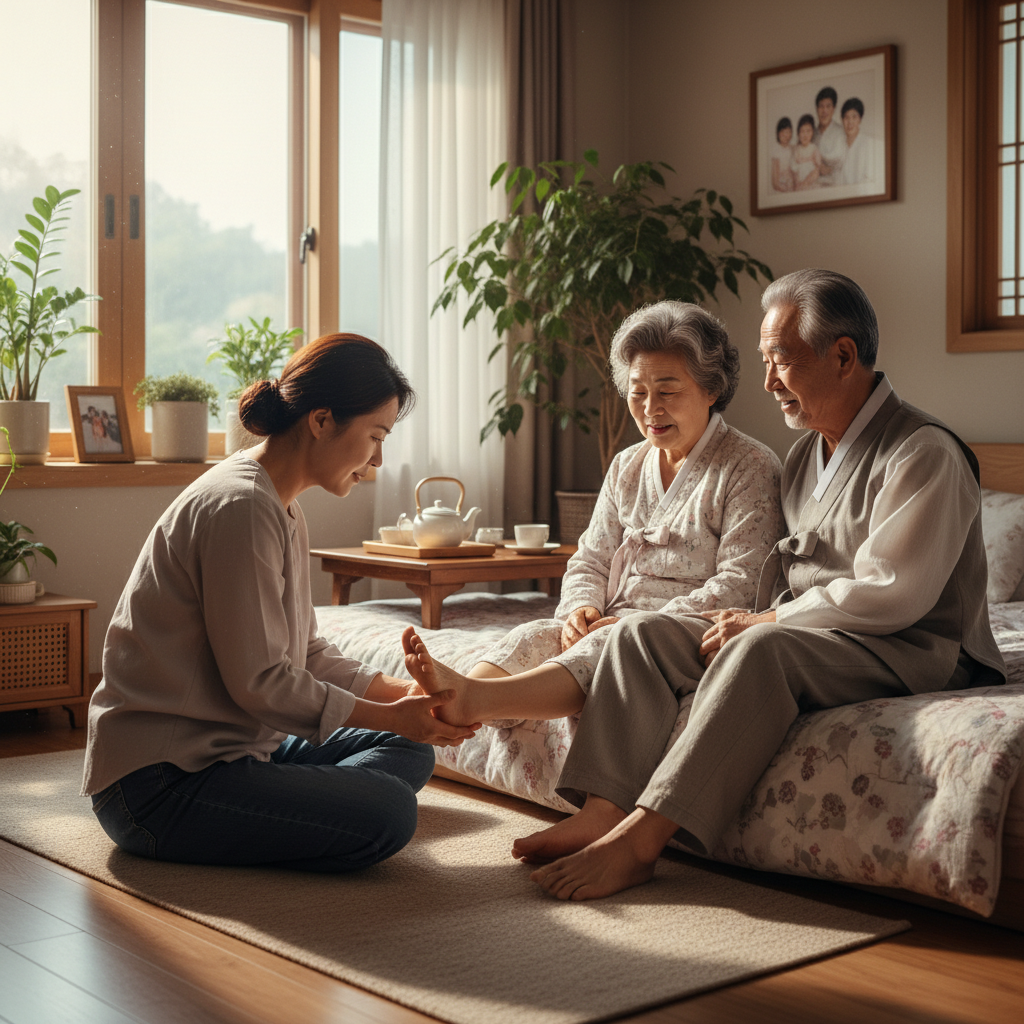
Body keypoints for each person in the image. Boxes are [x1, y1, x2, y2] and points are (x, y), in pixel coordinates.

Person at [515, 268, 1007, 901]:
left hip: (914, 645)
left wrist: (769, 621)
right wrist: (745, 615)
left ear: (843, 355)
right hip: (826, 633)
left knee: (757, 649)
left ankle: (640, 843)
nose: (769, 381)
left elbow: (894, 594)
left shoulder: (923, 451)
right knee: (641, 634)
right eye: (766, 361)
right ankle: (604, 808)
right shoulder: (807, 454)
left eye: (783, 361)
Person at [82, 334, 478, 872]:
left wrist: (403, 697)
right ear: (321, 420)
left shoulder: (278, 502)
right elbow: (262, 681)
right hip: (160, 784)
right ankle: (314, 809)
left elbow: (307, 651)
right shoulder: (240, 506)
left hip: (241, 750)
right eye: (375, 436)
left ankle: (299, 808)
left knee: (408, 750)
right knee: (389, 811)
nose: (378, 460)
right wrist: (393, 717)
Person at [401, 300, 784, 738]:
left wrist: (630, 624)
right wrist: (582, 609)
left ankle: (472, 701)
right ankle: (444, 701)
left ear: (711, 389)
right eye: (638, 392)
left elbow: (743, 583)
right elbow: (591, 558)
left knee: (611, 641)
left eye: (668, 391)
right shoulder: (627, 465)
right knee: (534, 635)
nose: (650, 408)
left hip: (683, 631)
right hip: (616, 617)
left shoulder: (750, 464)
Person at [837, 98, 877, 185]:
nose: (850, 122)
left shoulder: (869, 144)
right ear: (842, 120)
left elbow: (870, 179)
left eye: (854, 117)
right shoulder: (838, 144)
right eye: (846, 117)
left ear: (860, 119)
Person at [812, 86, 847, 184]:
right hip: (813, 187)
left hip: (835, 185)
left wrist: (826, 168)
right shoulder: (811, 134)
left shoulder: (841, 132)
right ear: (816, 108)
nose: (824, 111)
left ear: (834, 108)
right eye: (821, 106)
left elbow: (842, 162)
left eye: (828, 106)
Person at [790, 114, 822, 190]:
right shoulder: (796, 150)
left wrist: (806, 182)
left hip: (811, 182)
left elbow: (817, 169)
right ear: (798, 133)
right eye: (802, 131)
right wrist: (797, 183)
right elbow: (794, 169)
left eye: (808, 131)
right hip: (799, 182)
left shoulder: (814, 148)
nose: (805, 135)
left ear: (812, 133)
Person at [771, 118, 795, 192]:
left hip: (793, 187)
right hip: (782, 189)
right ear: (778, 133)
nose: (785, 134)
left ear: (791, 133)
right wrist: (786, 190)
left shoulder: (793, 149)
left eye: (787, 131)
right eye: (782, 131)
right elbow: (775, 183)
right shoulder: (776, 151)